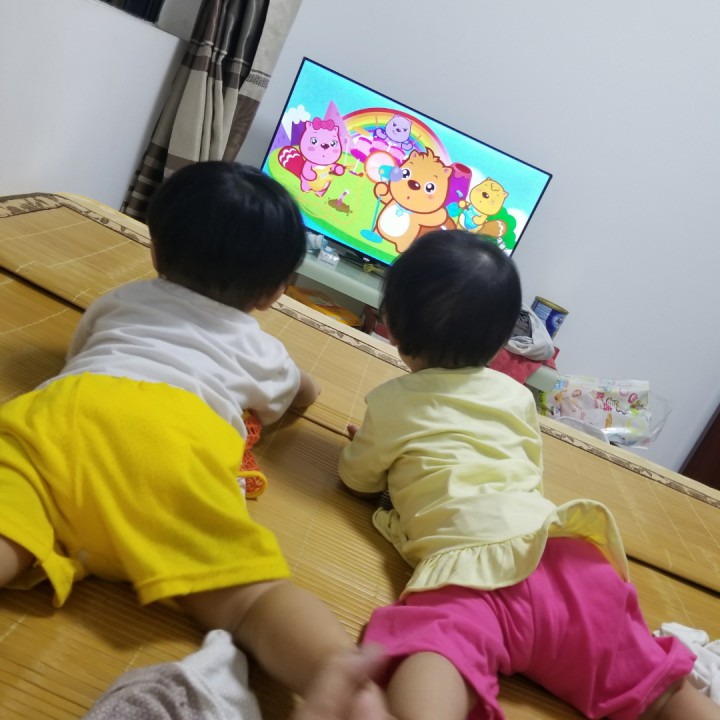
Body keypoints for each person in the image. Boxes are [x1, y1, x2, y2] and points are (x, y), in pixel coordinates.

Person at [0, 161, 356, 698]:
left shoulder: (121, 299)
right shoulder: (261, 349)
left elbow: (80, 354)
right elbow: (302, 395)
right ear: (274, 293)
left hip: (67, 412)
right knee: (251, 598)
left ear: (156, 251)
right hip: (174, 443)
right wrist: (298, 389)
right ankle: (334, 671)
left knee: (11, 518)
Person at [338, 230, 718, 720]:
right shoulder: (516, 396)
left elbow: (357, 480)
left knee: (433, 649)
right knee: (659, 689)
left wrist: (368, 453)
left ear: (391, 326)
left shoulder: (392, 402)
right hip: (562, 553)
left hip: (469, 569)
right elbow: (526, 471)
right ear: (503, 340)